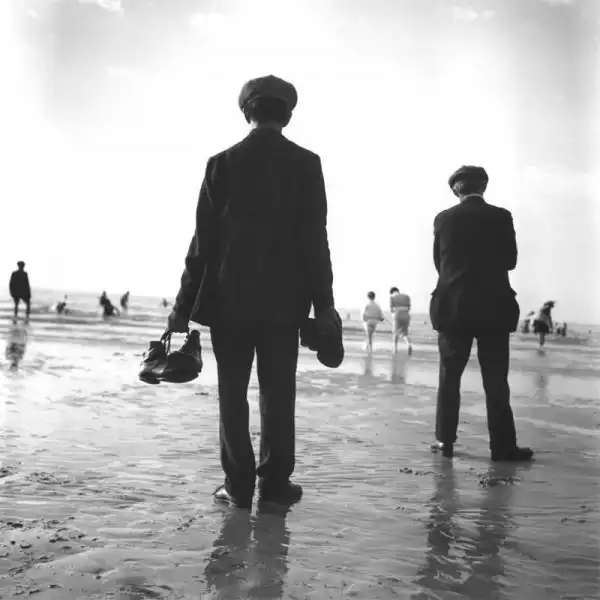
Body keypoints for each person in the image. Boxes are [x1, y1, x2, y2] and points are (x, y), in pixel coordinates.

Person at [166, 75, 337, 509]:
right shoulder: (307, 163)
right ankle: (276, 486)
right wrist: (325, 305)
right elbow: (315, 240)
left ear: (246, 113)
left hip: (229, 302)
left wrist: (182, 307)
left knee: (232, 392)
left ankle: (238, 486)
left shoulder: (221, 163)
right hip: (285, 304)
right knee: (278, 395)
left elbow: (203, 243)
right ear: (288, 116)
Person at [429, 165, 533, 462]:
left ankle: (445, 441)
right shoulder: (502, 216)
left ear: (455, 190)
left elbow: (439, 263)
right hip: (494, 307)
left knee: (449, 378)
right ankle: (502, 447)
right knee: (496, 380)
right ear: (483, 187)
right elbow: (510, 261)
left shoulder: (443, 218)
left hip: (453, 307)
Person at [389, 286, 412, 355]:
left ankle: (395, 350)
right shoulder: (407, 296)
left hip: (397, 315)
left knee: (395, 333)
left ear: (392, 293)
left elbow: (391, 310)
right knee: (404, 333)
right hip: (406, 316)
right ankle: (408, 344)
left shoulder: (392, 298)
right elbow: (409, 308)